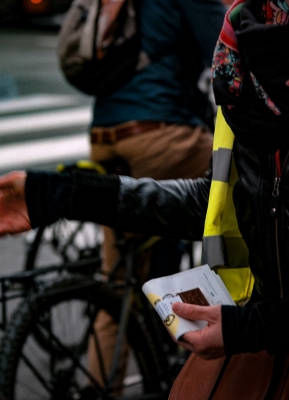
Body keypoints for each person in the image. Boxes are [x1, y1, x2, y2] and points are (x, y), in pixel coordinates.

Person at [0, 0, 289, 389]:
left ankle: (103, 377)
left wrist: (248, 328)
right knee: (125, 278)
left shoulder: (240, 61)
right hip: (160, 132)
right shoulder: (240, 66)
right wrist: (56, 194)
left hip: (107, 132)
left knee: (116, 275)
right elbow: (217, 202)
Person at [83, 0, 225, 386]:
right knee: (230, 186)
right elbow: (227, 50)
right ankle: (199, 367)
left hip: (105, 135)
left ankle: (100, 387)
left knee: (118, 284)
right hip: (160, 135)